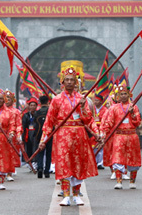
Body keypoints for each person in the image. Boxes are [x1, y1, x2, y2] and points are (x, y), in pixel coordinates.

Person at [38, 66, 98, 206]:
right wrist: (43, 139)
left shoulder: (82, 99)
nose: (70, 82)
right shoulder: (57, 100)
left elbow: (87, 119)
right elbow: (49, 121)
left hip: (79, 135)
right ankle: (65, 195)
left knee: (78, 164)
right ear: (62, 82)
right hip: (62, 136)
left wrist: (83, 107)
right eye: (67, 80)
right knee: (64, 164)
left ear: (76, 82)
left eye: (72, 80)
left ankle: (76, 195)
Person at [100, 84, 141, 190]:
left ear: (129, 95)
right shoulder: (114, 108)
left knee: (133, 159)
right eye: (121, 94)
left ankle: (132, 181)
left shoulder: (134, 107)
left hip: (132, 135)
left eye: (125, 94)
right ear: (118, 96)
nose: (123, 96)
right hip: (119, 136)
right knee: (118, 158)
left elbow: (137, 122)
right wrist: (103, 133)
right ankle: (119, 181)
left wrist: (132, 114)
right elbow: (109, 122)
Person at [34, 94, 52, 178]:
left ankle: (40, 168)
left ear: (40, 102)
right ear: (48, 102)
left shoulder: (37, 112)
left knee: (40, 152)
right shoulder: (50, 111)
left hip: (39, 134)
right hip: (49, 134)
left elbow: (34, 124)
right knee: (48, 153)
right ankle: (47, 171)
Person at [22, 97, 38, 162]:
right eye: (31, 105)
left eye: (34, 105)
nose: (32, 107)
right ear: (29, 106)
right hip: (28, 133)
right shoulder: (26, 115)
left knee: (35, 147)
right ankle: (29, 161)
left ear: (36, 106)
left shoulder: (38, 114)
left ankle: (35, 161)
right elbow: (23, 125)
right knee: (28, 147)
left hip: (36, 133)